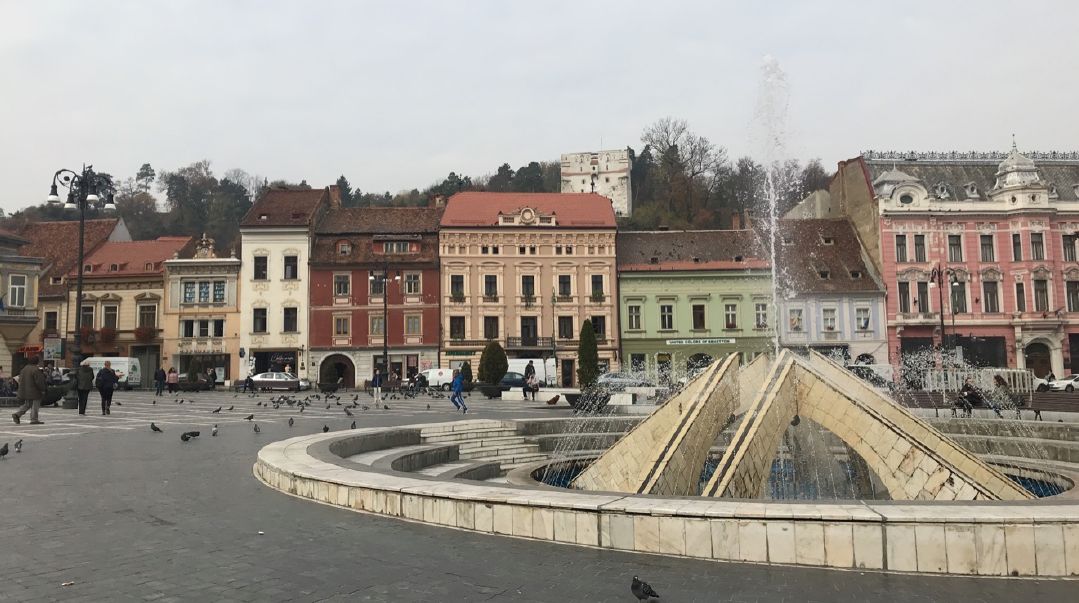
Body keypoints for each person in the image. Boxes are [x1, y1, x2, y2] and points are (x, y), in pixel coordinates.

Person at [12, 356, 47, 425]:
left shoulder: (24, 369)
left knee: (27, 405)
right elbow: (39, 381)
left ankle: (17, 414)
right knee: (35, 405)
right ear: (36, 361)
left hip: (25, 390)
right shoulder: (35, 370)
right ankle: (34, 419)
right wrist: (43, 389)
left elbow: (19, 379)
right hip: (34, 391)